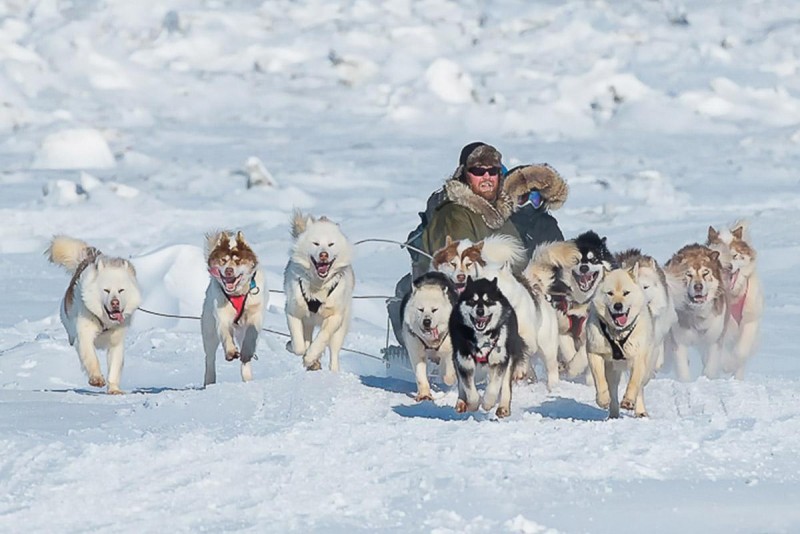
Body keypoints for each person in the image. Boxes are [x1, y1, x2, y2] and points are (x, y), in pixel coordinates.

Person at [502, 163, 568, 256]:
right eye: (523, 198)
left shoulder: (548, 225)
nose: (529, 203)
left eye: (535, 198)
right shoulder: (503, 225)